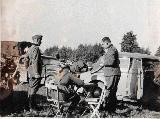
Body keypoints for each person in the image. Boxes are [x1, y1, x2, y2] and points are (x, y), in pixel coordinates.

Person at [92, 37, 121, 113]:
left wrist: (102, 63)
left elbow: (110, 62)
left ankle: (108, 111)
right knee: (111, 92)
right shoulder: (109, 50)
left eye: (102, 44)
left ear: (107, 43)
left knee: (109, 92)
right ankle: (111, 110)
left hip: (112, 74)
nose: (102, 46)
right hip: (111, 73)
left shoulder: (112, 50)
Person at [24, 35, 43, 111]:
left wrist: (28, 68)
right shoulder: (36, 49)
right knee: (33, 90)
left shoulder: (30, 48)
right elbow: (35, 61)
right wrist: (36, 73)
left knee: (31, 89)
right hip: (35, 74)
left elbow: (26, 59)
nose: (41, 41)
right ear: (37, 40)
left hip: (31, 72)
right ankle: (32, 107)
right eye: (40, 40)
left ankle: (29, 106)